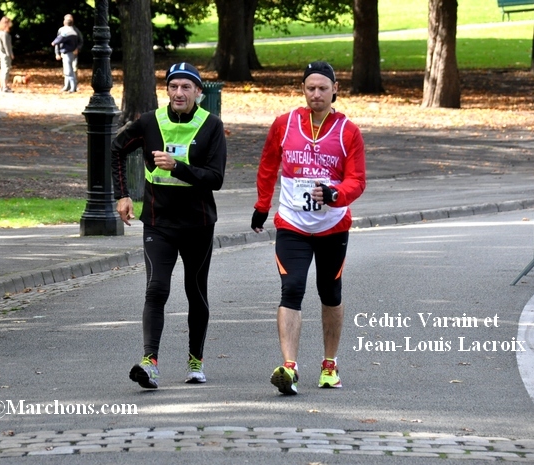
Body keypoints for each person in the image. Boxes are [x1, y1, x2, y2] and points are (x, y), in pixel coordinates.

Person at [251, 61, 366, 395]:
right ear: (303, 89)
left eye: (322, 88)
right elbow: (268, 165)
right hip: (292, 224)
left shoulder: (348, 131)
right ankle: (289, 368)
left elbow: (357, 180)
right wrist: (262, 206)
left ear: (335, 89)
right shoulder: (285, 125)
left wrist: (335, 194)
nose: (316, 94)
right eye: (310, 88)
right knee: (292, 288)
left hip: (332, 226)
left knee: (330, 293)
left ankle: (329, 364)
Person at [111, 62, 227, 389]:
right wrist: (122, 196)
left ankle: (195, 361)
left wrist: (179, 166)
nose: (179, 93)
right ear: (167, 91)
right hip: (158, 222)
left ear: (198, 93)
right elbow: (116, 149)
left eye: (186, 87)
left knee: (195, 291)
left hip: (198, 224)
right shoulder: (150, 122)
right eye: (173, 86)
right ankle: (150, 363)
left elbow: (215, 178)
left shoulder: (211, 126)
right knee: (156, 288)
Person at [51, 15, 82, 92]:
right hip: (70, 53)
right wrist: (57, 53)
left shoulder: (66, 31)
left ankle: (73, 87)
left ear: (64, 22)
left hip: (68, 53)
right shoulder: (73, 31)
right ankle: (67, 86)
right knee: (68, 69)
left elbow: (59, 39)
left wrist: (54, 43)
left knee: (69, 70)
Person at [0, 16, 14, 93]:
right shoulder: (5, 34)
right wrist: (10, 54)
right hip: (5, 53)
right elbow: (7, 45)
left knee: (2, 69)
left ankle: (2, 86)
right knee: (6, 69)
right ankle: (5, 86)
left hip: (0, 52)